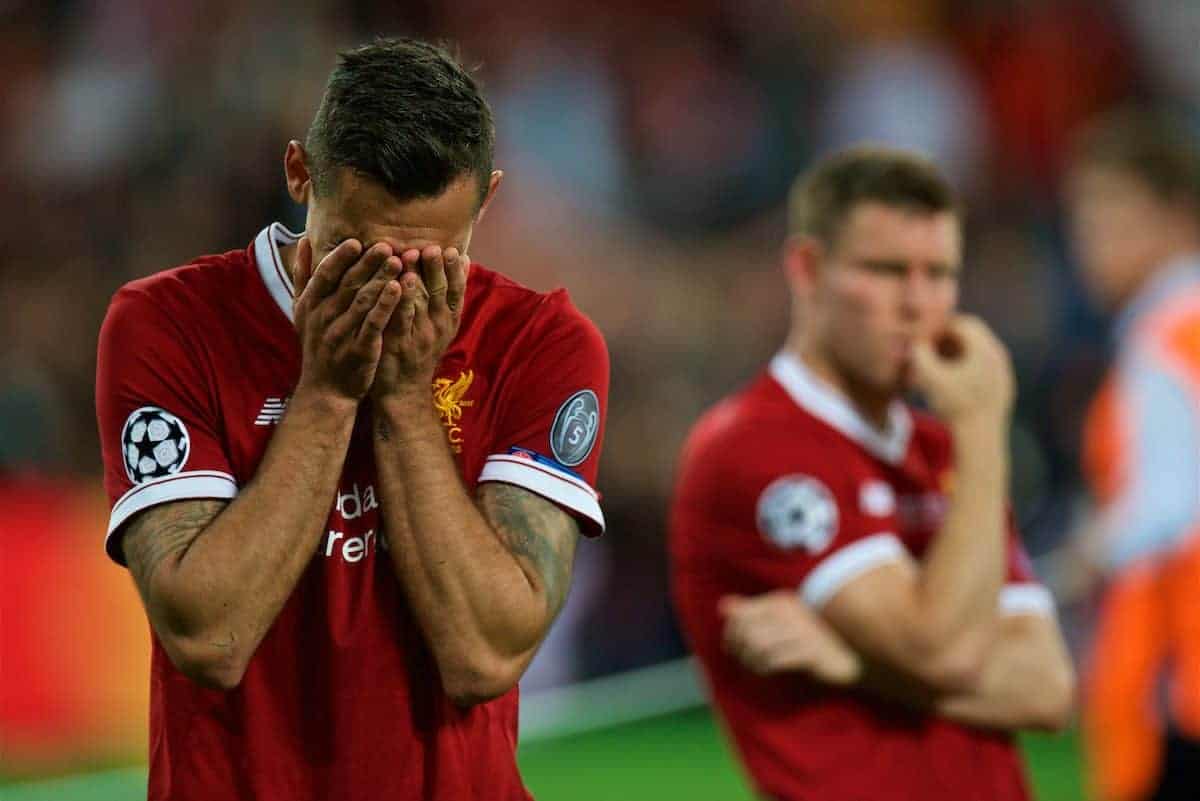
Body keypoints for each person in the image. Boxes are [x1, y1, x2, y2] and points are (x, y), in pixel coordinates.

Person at [95, 38, 608, 801]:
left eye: (430, 262)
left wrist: (402, 396)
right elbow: (210, 637)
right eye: (355, 255)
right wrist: (329, 393)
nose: (391, 292)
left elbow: (484, 655)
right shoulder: (169, 325)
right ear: (299, 173)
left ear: (486, 200)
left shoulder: (540, 347)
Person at [670, 147, 1074, 801]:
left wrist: (852, 662)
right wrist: (982, 425)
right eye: (885, 270)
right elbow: (941, 652)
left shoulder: (945, 453)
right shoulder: (753, 448)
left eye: (939, 273)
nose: (917, 303)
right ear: (807, 268)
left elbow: (1046, 685)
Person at [1064, 109, 1200, 801]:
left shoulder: (1165, 335)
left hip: (1181, 671)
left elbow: (1170, 504)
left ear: (1177, 214)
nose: (1091, 242)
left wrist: (1077, 556)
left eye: (1112, 215)